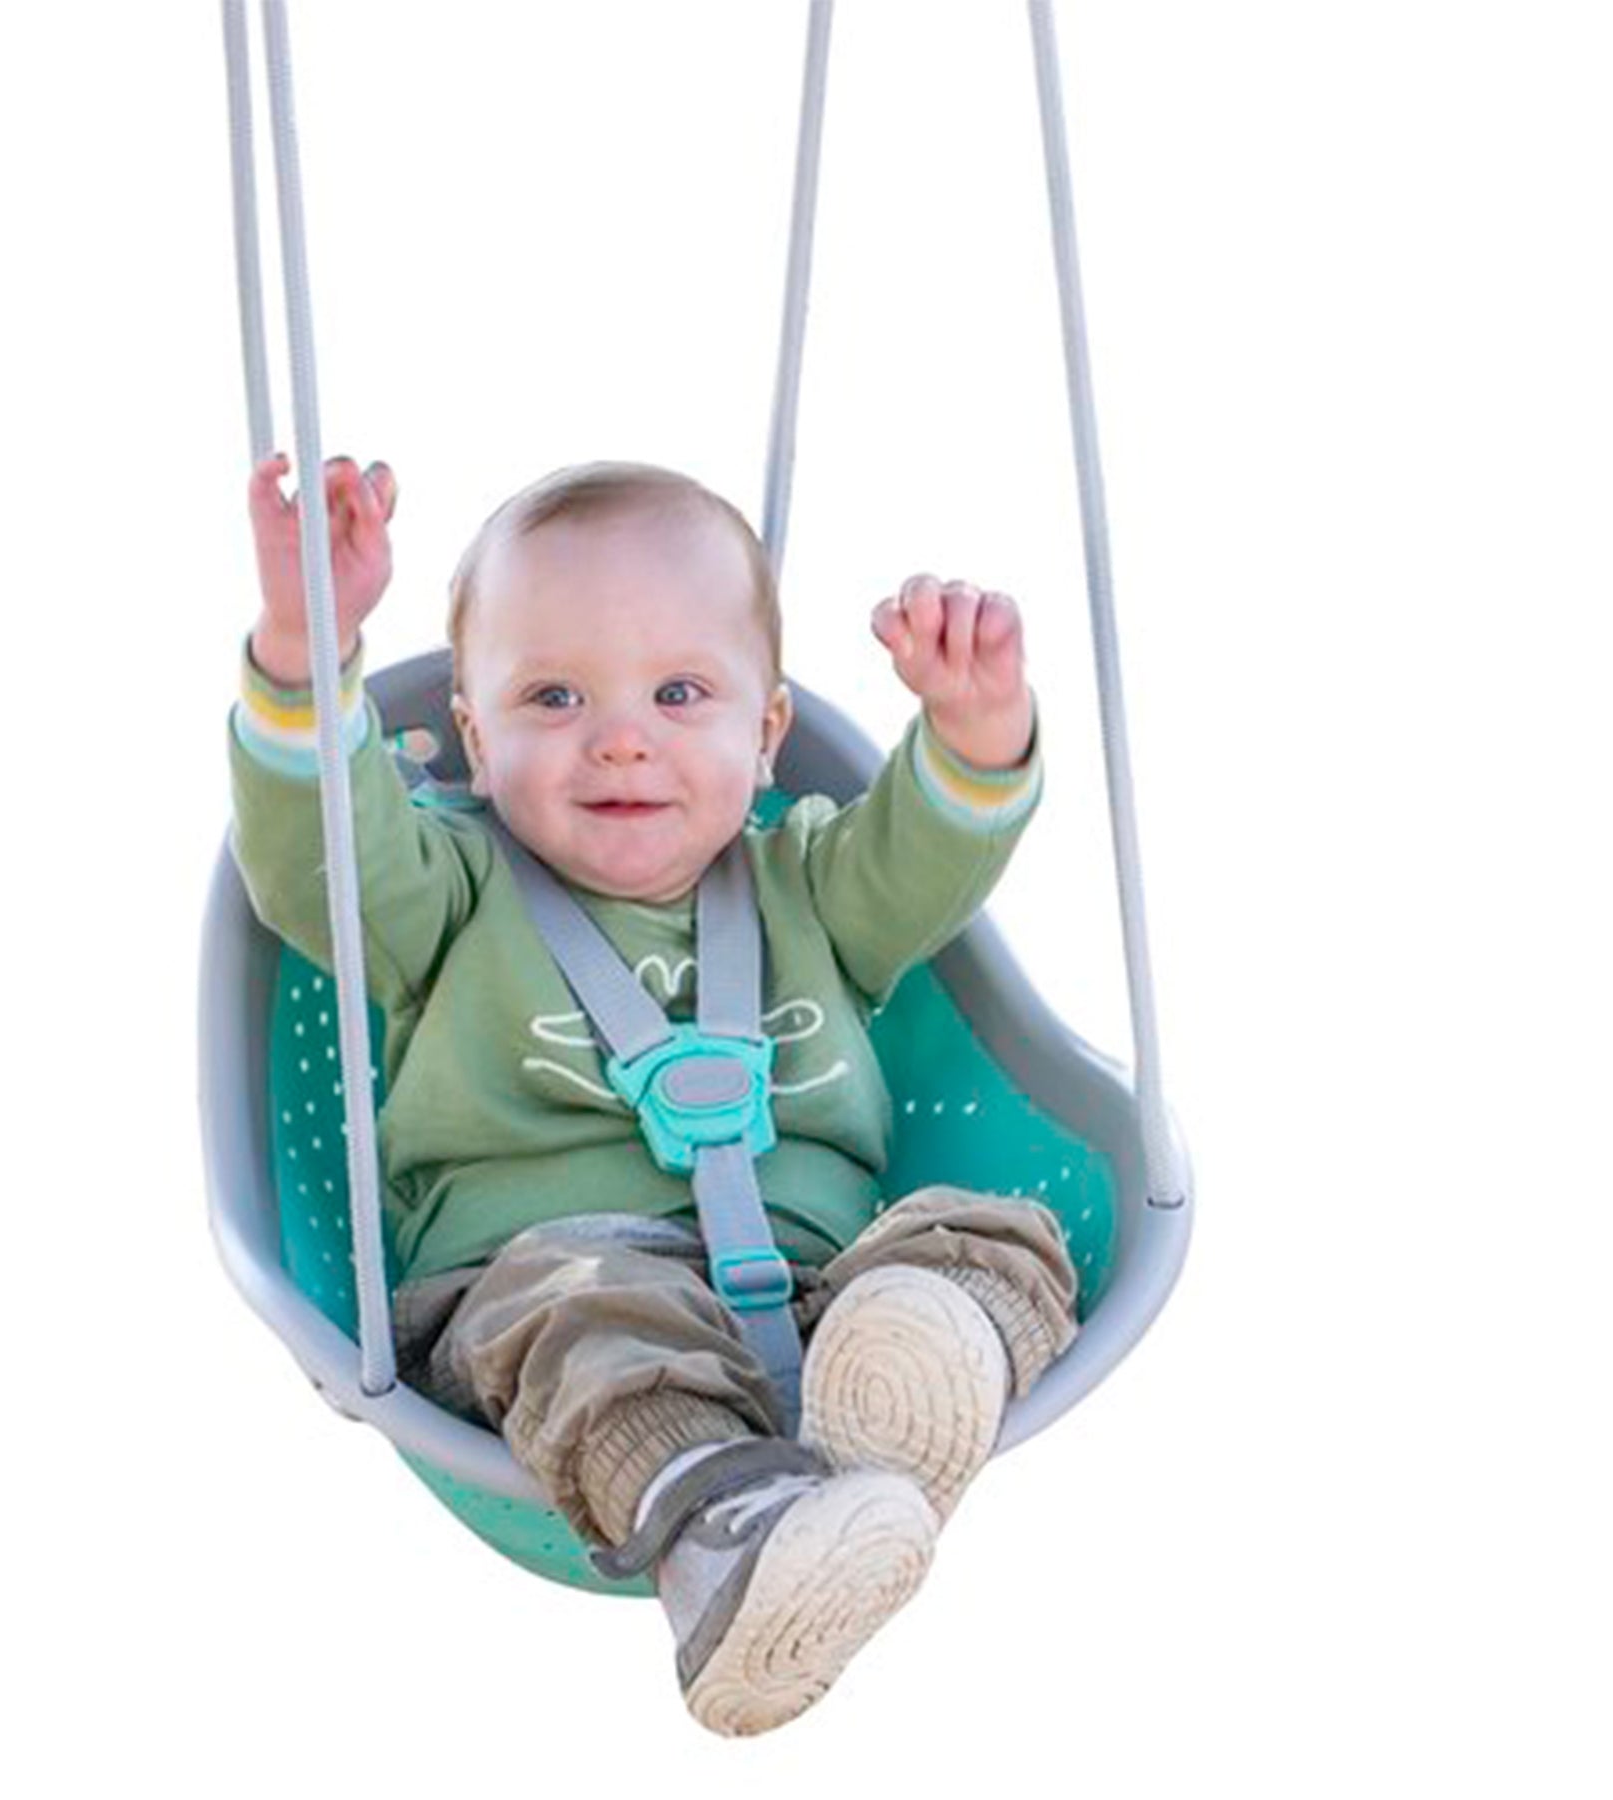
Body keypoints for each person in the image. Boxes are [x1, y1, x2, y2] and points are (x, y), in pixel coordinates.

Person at [231, 451, 1081, 1736]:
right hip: (547, 1289)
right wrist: (307, 654)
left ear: (766, 734)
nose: (622, 736)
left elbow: (927, 858)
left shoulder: (809, 881)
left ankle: (899, 1390)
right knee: (594, 1333)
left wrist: (974, 730)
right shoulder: (445, 890)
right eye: (553, 696)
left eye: (680, 693)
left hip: (821, 1291)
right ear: (474, 737)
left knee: (1004, 1235)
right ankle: (733, 1542)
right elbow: (317, 861)